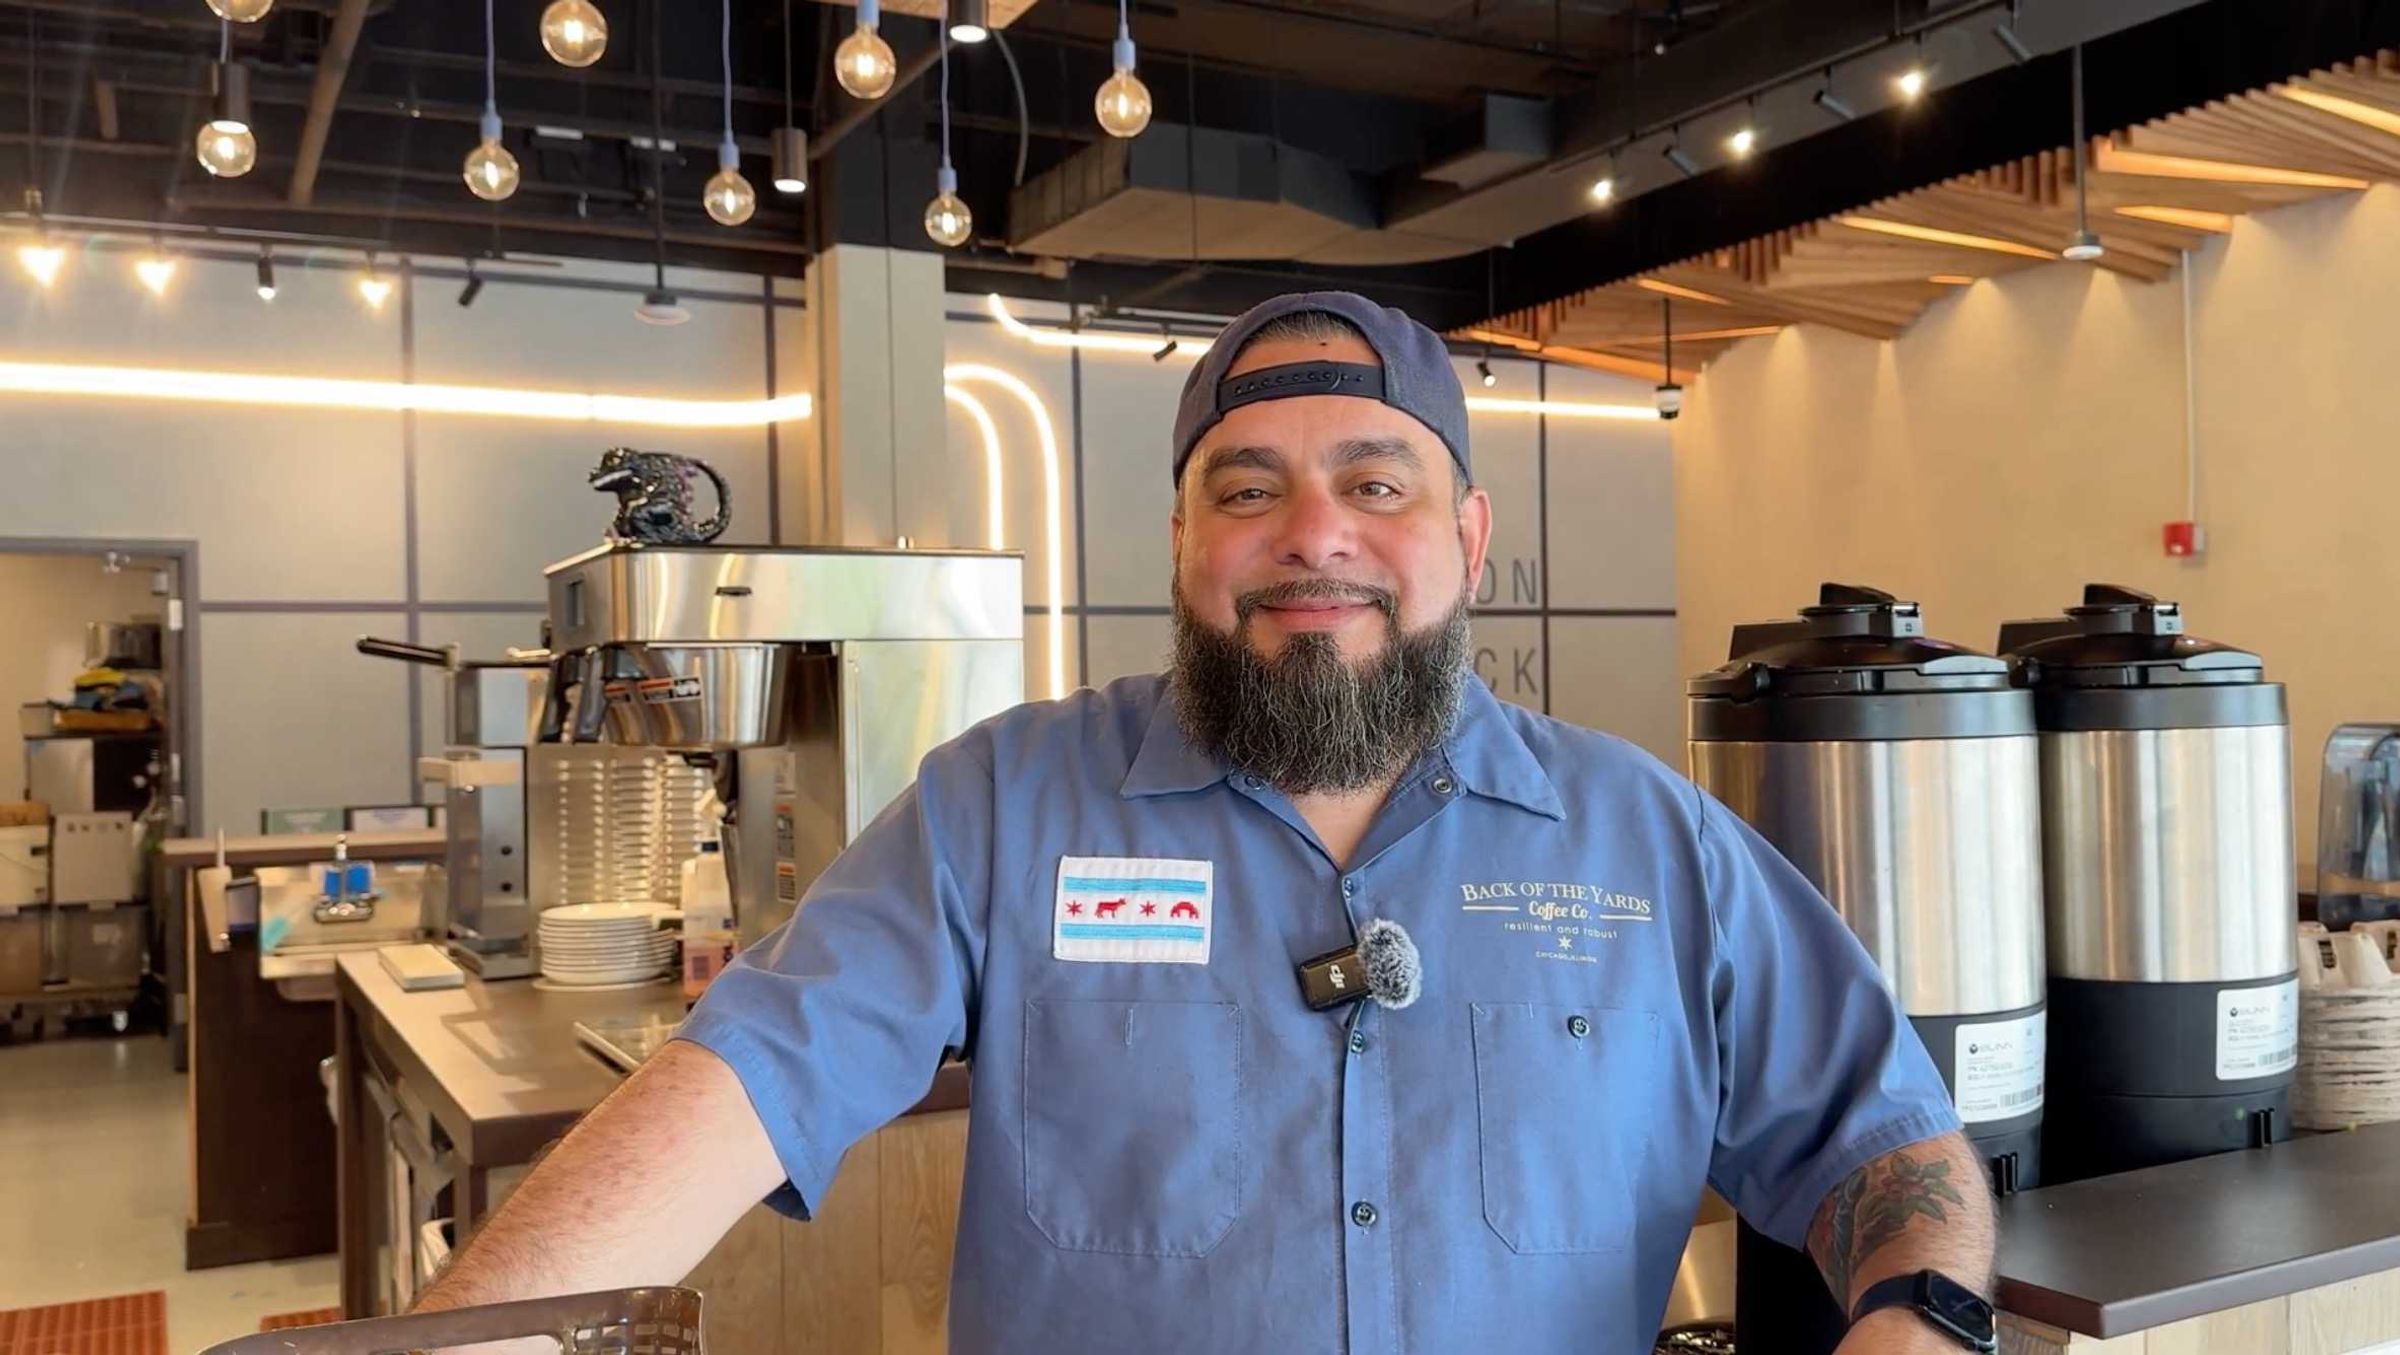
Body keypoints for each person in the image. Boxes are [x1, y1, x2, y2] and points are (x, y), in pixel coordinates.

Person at [415, 292, 1997, 1354]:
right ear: (1181, 540)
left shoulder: (1650, 844)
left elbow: (1885, 1148)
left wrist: (1920, 1322)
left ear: (1468, 537)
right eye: (1247, 489)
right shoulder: (1002, 809)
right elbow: (745, 1081)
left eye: (1376, 484)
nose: (1314, 535)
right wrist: (464, 1341)